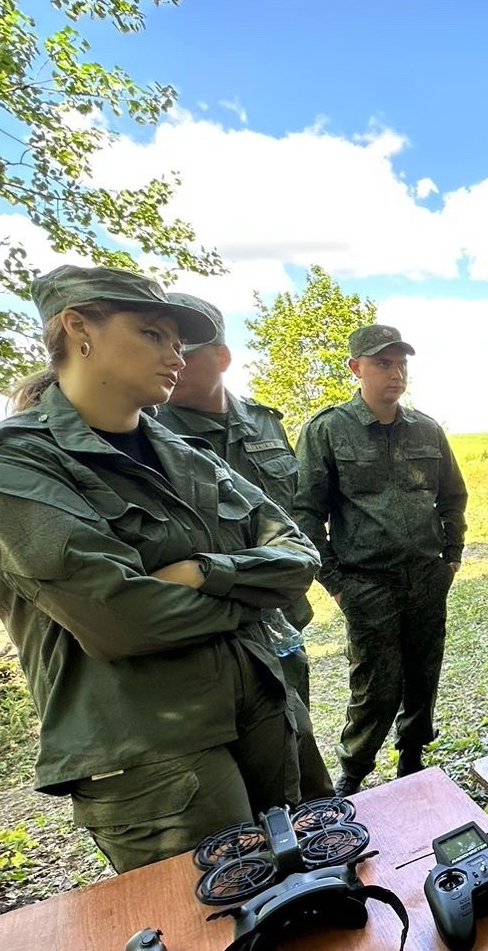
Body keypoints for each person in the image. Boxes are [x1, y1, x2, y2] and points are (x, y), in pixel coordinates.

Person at [0, 265, 320, 872]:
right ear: (77, 328)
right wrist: (250, 590)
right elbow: (122, 621)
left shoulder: (183, 454)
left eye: (178, 340)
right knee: (223, 923)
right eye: (151, 334)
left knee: (326, 892)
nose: (174, 353)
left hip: (267, 715)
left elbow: (297, 555)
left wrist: (200, 571)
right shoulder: (10, 466)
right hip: (156, 754)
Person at [152, 291, 332, 799]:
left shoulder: (265, 422)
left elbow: (296, 517)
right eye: (165, 345)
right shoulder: (149, 434)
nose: (175, 360)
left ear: (223, 358)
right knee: (235, 782)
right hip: (214, 635)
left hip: (283, 616)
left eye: (190, 348)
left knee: (298, 745)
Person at [292, 324, 468, 795]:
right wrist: (335, 581)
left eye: (401, 363)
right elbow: (306, 511)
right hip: (368, 581)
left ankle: (412, 758)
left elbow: (453, 496)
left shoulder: (427, 429)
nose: (396, 373)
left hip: (426, 577)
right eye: (383, 363)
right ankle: (354, 774)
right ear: (356, 368)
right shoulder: (327, 429)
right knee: (376, 686)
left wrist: (450, 557)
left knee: (423, 673)